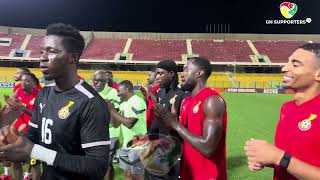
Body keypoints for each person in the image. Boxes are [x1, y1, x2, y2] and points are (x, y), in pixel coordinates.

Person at [0, 23, 110, 180]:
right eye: (42, 51)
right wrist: (10, 144)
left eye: (51, 51)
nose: (43, 57)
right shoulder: (44, 94)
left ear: (72, 58)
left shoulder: (90, 103)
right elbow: (32, 138)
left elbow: (97, 166)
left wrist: (35, 151)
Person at [244, 43, 320, 180]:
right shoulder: (287, 108)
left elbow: (284, 158)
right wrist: (266, 158)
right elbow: (295, 160)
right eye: (287, 62)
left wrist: (278, 156)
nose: (284, 68)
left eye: (295, 65)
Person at [153, 57, 227, 180]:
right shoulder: (186, 101)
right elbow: (183, 136)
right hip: (187, 173)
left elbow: (208, 147)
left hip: (208, 176)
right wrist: (167, 122)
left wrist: (175, 124)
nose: (182, 74)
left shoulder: (211, 100)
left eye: (186, 69)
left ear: (199, 73)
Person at [144, 60, 186, 180]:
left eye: (161, 73)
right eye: (156, 74)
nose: (157, 77)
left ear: (172, 74)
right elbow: (158, 120)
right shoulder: (160, 92)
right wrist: (148, 137)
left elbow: (185, 127)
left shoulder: (182, 94)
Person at [107, 80, 146, 180]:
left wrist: (112, 111)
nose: (118, 94)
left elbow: (130, 123)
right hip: (126, 145)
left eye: (119, 91)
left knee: (137, 175)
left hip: (138, 145)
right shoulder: (123, 104)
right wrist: (112, 111)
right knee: (127, 175)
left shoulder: (137, 101)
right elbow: (115, 124)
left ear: (127, 89)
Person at [12, 72, 41, 180]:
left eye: (27, 81)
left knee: (33, 163)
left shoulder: (39, 95)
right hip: (19, 132)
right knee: (15, 161)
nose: (23, 83)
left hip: (33, 133)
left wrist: (23, 108)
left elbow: (38, 116)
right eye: (22, 80)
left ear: (34, 84)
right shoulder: (19, 90)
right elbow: (13, 102)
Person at [92, 70, 121, 180]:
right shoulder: (88, 91)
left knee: (107, 164)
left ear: (106, 81)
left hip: (110, 133)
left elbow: (114, 112)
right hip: (91, 133)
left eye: (102, 81)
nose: (99, 83)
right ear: (93, 80)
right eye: (97, 81)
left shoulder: (112, 92)